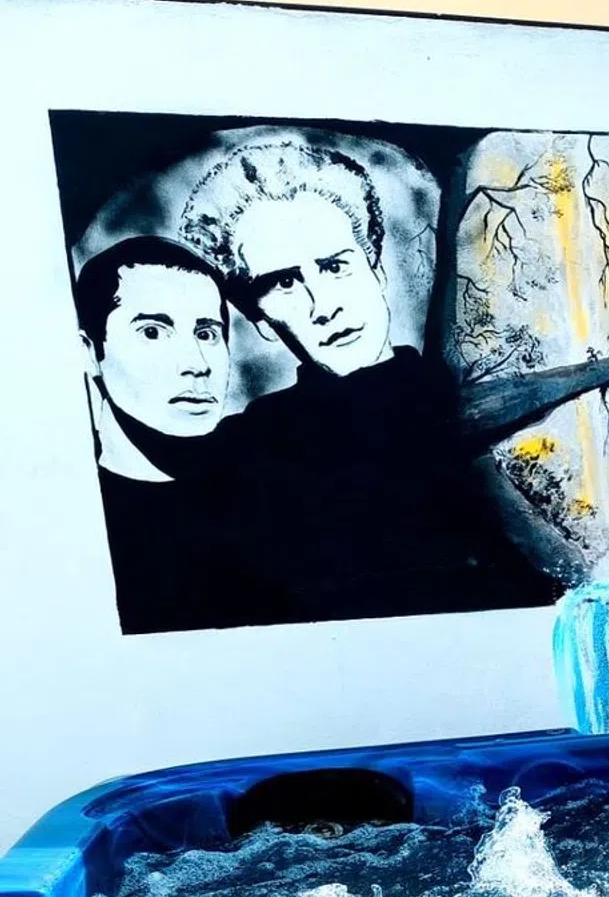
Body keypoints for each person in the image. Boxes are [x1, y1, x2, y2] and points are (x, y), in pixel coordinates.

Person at [178, 137, 561, 624]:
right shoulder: (245, 451)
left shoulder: (464, 402)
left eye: (335, 266)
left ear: (376, 270)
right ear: (260, 319)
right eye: (285, 282)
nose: (324, 305)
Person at [72, 236, 259, 633]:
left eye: (206, 334)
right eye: (153, 332)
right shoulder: (71, 524)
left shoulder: (269, 483)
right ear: (89, 351)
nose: (196, 364)